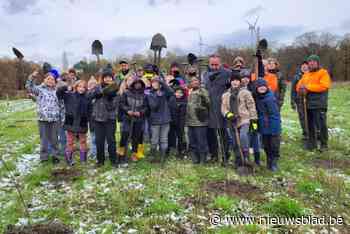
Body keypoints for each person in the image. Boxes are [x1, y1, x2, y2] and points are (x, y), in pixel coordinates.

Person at [222, 73, 258, 168]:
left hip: (243, 119)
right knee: (234, 142)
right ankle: (238, 160)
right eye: (233, 80)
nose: (235, 82)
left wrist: (254, 120)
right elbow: (223, 108)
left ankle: (246, 156)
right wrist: (229, 115)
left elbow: (251, 106)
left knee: (242, 136)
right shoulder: (226, 95)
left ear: (240, 82)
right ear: (230, 81)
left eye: (237, 80)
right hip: (232, 121)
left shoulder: (245, 93)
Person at [296, 55, 331, 152]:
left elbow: (324, 86)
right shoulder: (306, 74)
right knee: (309, 125)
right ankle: (312, 144)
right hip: (307, 104)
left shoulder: (323, 73)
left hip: (319, 104)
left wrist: (307, 87)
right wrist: (301, 89)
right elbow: (298, 86)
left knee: (321, 125)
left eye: (313, 61)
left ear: (318, 63)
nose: (311, 63)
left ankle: (324, 144)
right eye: (309, 62)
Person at [25, 69, 61, 164]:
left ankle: (55, 156)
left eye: (52, 79)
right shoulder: (40, 89)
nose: (50, 81)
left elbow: (61, 104)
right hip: (43, 119)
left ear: (55, 81)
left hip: (54, 119)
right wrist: (32, 77)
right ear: (44, 80)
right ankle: (44, 157)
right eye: (48, 79)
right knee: (44, 139)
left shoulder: (57, 91)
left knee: (54, 139)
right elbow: (29, 87)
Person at [202, 54, 231, 165]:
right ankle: (214, 155)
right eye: (212, 64)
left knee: (223, 134)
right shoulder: (205, 74)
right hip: (209, 108)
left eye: (216, 64)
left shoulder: (227, 73)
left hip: (221, 108)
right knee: (210, 134)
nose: (214, 66)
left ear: (220, 63)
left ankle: (225, 157)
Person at [87, 66, 119, 167]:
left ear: (112, 78)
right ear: (103, 78)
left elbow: (113, 106)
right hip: (97, 118)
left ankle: (113, 160)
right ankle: (100, 161)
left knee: (111, 140)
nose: (108, 79)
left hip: (110, 118)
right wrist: (98, 93)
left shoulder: (115, 89)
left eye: (110, 77)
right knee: (99, 141)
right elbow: (88, 96)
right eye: (106, 77)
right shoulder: (97, 87)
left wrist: (109, 97)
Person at [57, 80, 90, 165]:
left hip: (82, 121)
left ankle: (83, 159)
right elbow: (59, 93)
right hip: (70, 121)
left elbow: (89, 109)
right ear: (76, 87)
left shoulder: (87, 97)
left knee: (83, 141)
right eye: (79, 86)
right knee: (70, 141)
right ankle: (69, 159)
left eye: (83, 87)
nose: (81, 89)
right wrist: (66, 87)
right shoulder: (69, 95)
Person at [118, 78, 148, 166]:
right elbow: (122, 104)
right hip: (127, 118)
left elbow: (146, 107)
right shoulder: (126, 93)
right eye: (136, 83)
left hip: (138, 119)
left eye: (140, 84)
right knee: (125, 135)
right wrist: (127, 110)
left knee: (136, 137)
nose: (138, 85)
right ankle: (121, 153)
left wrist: (140, 112)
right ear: (133, 84)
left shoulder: (144, 95)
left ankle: (134, 154)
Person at [146, 77, 175, 163]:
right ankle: (153, 155)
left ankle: (162, 156)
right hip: (155, 121)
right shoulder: (150, 94)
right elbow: (153, 107)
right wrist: (158, 97)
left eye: (157, 83)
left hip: (165, 120)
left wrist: (163, 83)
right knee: (154, 140)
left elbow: (171, 92)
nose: (155, 84)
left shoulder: (165, 93)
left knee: (164, 139)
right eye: (153, 83)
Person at [255, 79, 281, 171]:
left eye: (263, 86)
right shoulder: (257, 98)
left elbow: (275, 114)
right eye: (259, 87)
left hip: (272, 125)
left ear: (266, 87)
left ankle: (274, 162)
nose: (262, 88)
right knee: (266, 144)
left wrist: (275, 128)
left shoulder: (270, 98)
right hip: (263, 125)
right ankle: (269, 160)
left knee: (274, 144)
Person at [186, 76, 210, 164]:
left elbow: (208, 103)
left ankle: (203, 158)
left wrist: (203, 97)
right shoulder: (189, 92)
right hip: (190, 121)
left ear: (199, 82)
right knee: (192, 141)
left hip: (200, 121)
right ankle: (195, 158)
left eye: (196, 80)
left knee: (201, 141)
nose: (195, 82)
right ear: (190, 83)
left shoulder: (203, 91)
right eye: (192, 81)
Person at [240, 69, 261, 165]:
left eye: (247, 78)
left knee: (255, 134)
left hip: (255, 117)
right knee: (246, 136)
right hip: (245, 118)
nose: (245, 80)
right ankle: (246, 157)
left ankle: (257, 158)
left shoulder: (253, 87)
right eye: (243, 78)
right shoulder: (239, 90)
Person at [291, 61, 309, 143]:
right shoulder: (297, 77)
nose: (305, 67)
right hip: (299, 100)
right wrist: (293, 101)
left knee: (310, 117)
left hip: (310, 100)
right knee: (302, 117)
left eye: (306, 66)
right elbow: (293, 90)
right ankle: (305, 133)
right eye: (303, 66)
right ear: (301, 67)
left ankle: (314, 133)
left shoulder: (311, 75)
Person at [168, 83, 188, 158]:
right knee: (171, 136)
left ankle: (181, 151)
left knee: (181, 137)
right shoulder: (171, 100)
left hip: (181, 122)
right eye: (177, 92)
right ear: (174, 93)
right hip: (172, 121)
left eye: (180, 93)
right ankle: (169, 150)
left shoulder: (185, 101)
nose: (179, 94)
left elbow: (184, 113)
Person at [87, 76, 98, 159]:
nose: (92, 85)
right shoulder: (87, 95)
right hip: (91, 120)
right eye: (91, 84)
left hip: (100, 119)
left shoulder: (99, 94)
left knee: (102, 138)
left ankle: (104, 152)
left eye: (94, 84)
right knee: (93, 138)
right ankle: (93, 152)